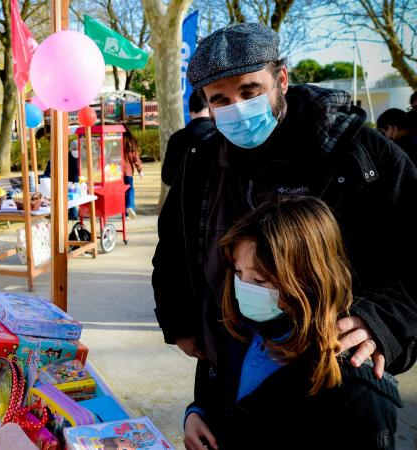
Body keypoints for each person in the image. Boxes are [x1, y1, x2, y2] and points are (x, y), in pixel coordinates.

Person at [152, 22, 417, 403]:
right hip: (230, 368)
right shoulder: (202, 161)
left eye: (250, 91)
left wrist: (382, 320)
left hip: (329, 380)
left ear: (281, 79)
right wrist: (179, 321)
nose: (238, 109)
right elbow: (174, 248)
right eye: (221, 100)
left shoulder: (358, 154)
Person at [184, 196, 401, 450]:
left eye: (260, 280)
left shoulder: (357, 388)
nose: (243, 289)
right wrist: (196, 414)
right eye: (239, 272)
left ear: (309, 279)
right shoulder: (240, 330)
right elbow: (217, 391)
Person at [161, 94, 216, 186]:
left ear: (190, 111)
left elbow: (167, 177)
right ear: (210, 108)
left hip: (184, 198)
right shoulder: (220, 134)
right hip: (216, 198)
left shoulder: (177, 138)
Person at [122, 127, 143, 219]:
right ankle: (129, 207)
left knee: (123, 192)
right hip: (128, 172)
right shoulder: (131, 143)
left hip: (116, 172)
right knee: (130, 190)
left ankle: (126, 213)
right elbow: (136, 159)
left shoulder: (117, 140)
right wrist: (140, 170)